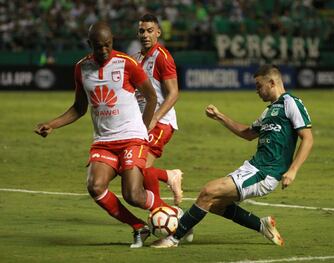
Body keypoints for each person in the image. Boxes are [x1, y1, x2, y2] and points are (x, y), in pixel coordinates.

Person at [34, 21, 172, 248]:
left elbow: (151, 97)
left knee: (133, 195)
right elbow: (79, 107)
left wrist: (143, 129)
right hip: (104, 142)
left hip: (131, 137)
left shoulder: (126, 63)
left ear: (113, 41)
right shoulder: (81, 68)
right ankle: (139, 227)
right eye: (99, 47)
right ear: (90, 44)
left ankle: (171, 214)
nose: (104, 50)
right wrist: (53, 124)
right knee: (95, 186)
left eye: (108, 45)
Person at [151, 65, 314, 248]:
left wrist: (292, 170)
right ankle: (262, 225)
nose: (257, 91)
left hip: (266, 172)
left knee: (208, 192)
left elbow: (307, 138)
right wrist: (220, 117)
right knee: (215, 204)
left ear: (272, 83)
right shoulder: (269, 111)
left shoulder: (290, 102)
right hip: (252, 167)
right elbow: (248, 133)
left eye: (259, 86)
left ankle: (173, 238)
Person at [133, 13, 183, 206]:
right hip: (141, 124)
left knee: (142, 168)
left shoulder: (162, 57)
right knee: (132, 169)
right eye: (141, 31)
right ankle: (169, 176)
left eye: (150, 30)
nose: (145, 34)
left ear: (158, 32)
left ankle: (159, 213)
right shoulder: (136, 58)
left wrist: (154, 118)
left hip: (161, 122)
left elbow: (173, 93)